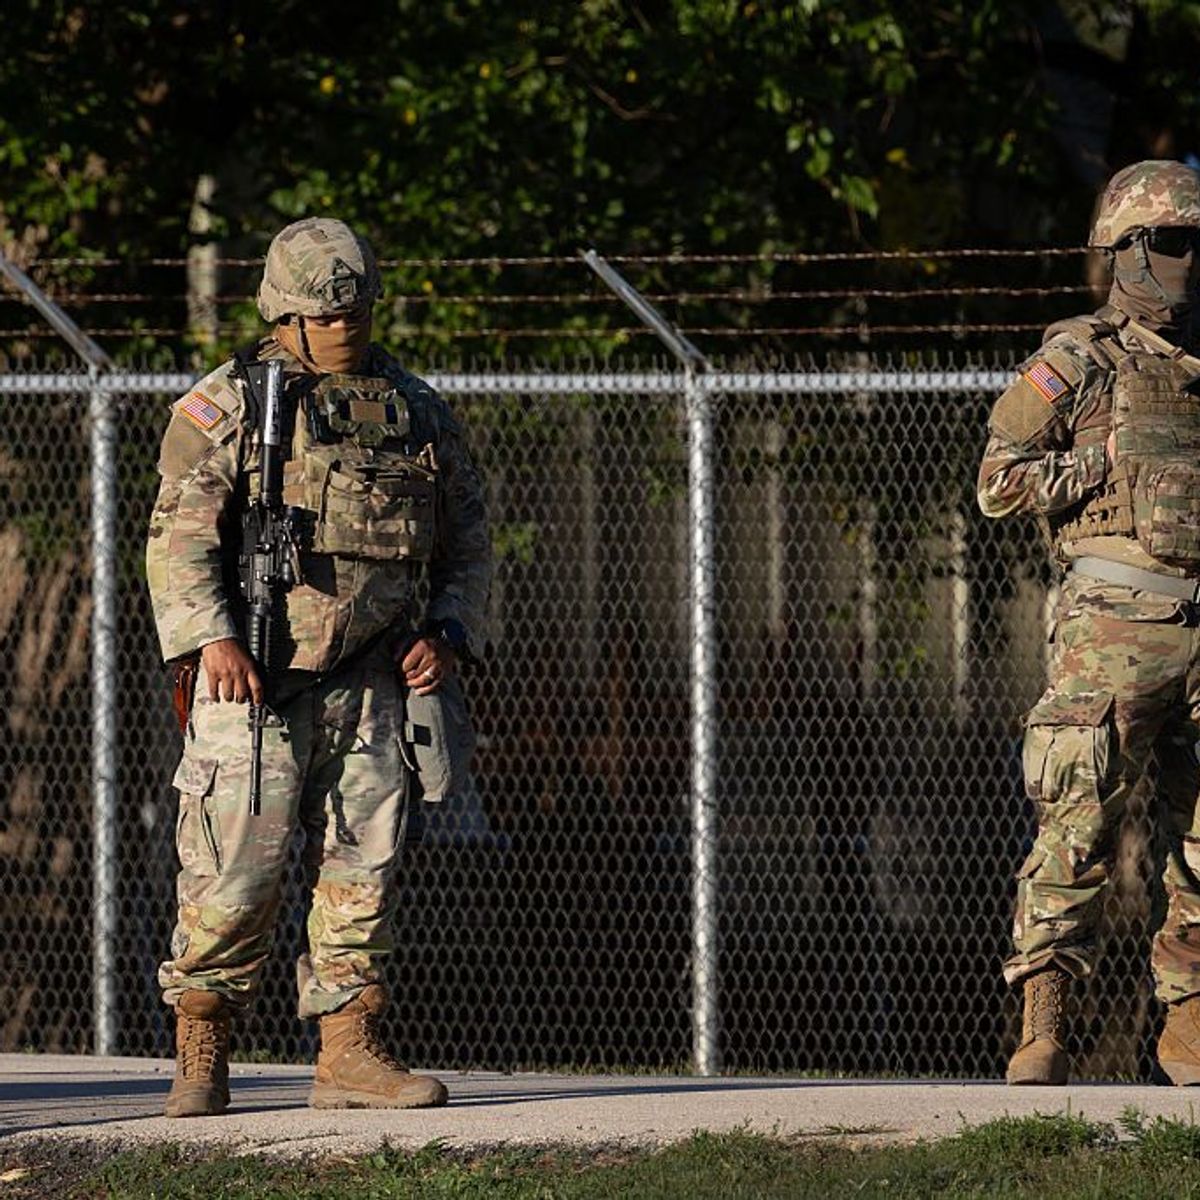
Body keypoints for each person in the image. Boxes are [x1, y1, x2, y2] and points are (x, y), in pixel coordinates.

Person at [146, 216, 490, 1116]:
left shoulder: (414, 408)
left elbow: (469, 539)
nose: (347, 328)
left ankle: (349, 1053)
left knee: (363, 874)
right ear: (284, 319)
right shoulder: (230, 407)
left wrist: (445, 633)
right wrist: (211, 639)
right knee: (234, 878)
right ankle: (202, 1047)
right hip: (251, 680)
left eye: (359, 310)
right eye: (326, 315)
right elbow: (177, 536)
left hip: (373, 681)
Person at [978, 160, 1200, 1085]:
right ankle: (1045, 1028)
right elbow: (998, 479)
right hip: (1109, 630)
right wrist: (1095, 475)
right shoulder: (1077, 356)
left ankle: (1188, 1027)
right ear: (1127, 251)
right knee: (1077, 826)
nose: (1191, 263)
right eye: (1176, 245)